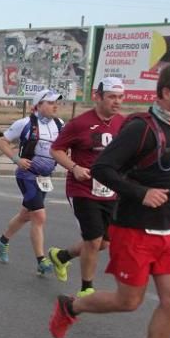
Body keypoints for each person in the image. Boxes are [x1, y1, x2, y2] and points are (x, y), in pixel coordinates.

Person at [48, 63, 170, 338]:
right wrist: (140, 193)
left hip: (169, 229)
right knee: (128, 302)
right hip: (135, 228)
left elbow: (163, 172)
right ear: (166, 93)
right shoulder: (141, 128)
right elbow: (104, 169)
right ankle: (71, 306)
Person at [47, 78, 127, 295]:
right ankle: (86, 289)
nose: (117, 102)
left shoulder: (124, 123)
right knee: (93, 240)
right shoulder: (79, 124)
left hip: (111, 191)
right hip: (82, 189)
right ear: (98, 97)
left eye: (120, 97)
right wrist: (74, 168)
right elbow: (56, 150)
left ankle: (61, 256)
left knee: (102, 244)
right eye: (112, 97)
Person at [0, 89, 64, 275]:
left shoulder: (60, 124)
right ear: (38, 105)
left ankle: (2, 241)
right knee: (39, 216)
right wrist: (17, 160)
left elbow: (64, 147)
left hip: (45, 177)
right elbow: (1, 142)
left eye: (57, 102)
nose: (55, 106)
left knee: (26, 215)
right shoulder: (24, 123)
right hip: (27, 175)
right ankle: (41, 260)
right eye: (50, 102)